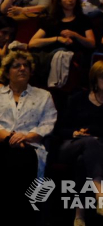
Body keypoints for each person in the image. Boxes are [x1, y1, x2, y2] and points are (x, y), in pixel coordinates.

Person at [55, 60, 103, 224]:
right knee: (89, 142)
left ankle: (79, 216)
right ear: (94, 79)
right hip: (73, 144)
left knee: (84, 160)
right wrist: (75, 133)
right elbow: (60, 128)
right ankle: (101, 196)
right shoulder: (78, 99)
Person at [0, 50, 58, 221]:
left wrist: (26, 137)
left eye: (26, 66)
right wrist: (8, 136)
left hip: (30, 144)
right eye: (16, 66)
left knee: (22, 157)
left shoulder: (43, 95)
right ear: (7, 72)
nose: (22, 69)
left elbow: (48, 122)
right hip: (2, 141)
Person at [28, 0, 95, 85]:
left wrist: (75, 35)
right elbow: (32, 43)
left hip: (73, 55)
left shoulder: (83, 20)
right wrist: (57, 39)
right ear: (59, 2)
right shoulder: (50, 20)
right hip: (50, 54)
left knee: (63, 54)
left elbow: (92, 43)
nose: (70, 0)